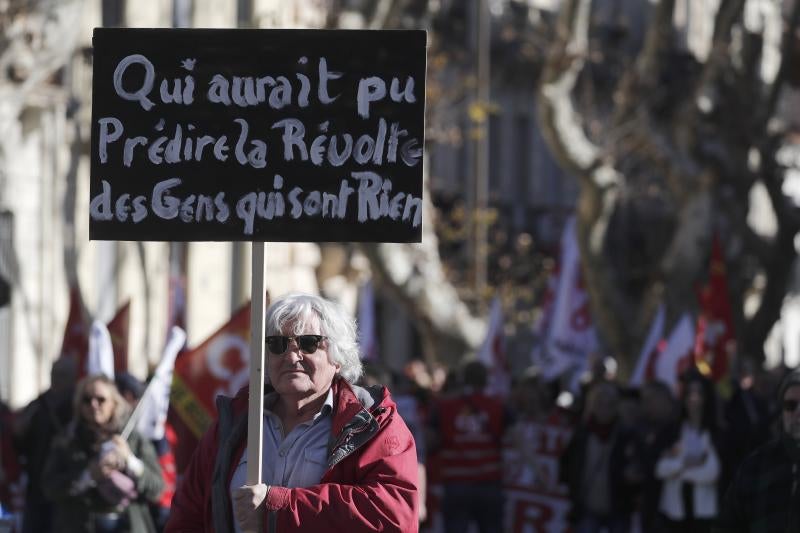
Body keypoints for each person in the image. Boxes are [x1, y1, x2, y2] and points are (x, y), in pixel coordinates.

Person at [165, 292, 419, 532]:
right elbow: (187, 516)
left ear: (337, 357)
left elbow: (395, 517)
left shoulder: (372, 422)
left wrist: (277, 510)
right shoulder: (233, 424)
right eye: (277, 344)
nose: (291, 356)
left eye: (308, 343)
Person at [42, 374, 164, 532]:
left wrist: (130, 461)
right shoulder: (67, 441)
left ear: (114, 403)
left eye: (101, 399)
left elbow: (157, 489)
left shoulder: (133, 439)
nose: (94, 405)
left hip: (128, 524)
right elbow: (49, 487)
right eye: (87, 399)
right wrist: (87, 476)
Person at [713, 367, 800, 533]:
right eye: (791, 405)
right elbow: (727, 524)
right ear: (781, 411)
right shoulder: (754, 466)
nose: (798, 412)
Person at [429, 360, 509, 533]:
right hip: (489, 483)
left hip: (456, 483)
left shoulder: (444, 406)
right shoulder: (498, 406)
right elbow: (515, 440)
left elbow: (430, 441)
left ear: (463, 379)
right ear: (486, 380)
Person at [560, 380, 638, 533]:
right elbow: (568, 464)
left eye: (610, 404)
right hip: (587, 507)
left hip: (618, 509)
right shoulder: (580, 434)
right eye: (599, 403)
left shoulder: (626, 435)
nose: (604, 409)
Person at [13, 356, 77, 533]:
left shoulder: (80, 405)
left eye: (62, 374)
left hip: (65, 483)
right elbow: (21, 447)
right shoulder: (38, 405)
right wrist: (18, 434)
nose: (57, 378)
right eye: (54, 373)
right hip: (37, 481)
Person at [655, 369, 722, 533]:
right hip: (674, 514)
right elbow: (660, 469)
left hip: (704, 515)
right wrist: (687, 463)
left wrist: (678, 471)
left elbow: (712, 472)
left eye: (699, 393)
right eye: (690, 393)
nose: (694, 398)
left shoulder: (716, 433)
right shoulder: (672, 431)